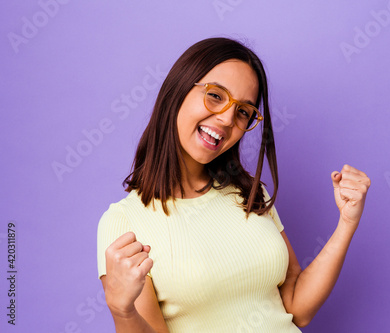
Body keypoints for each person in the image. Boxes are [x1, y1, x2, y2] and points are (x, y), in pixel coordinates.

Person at [97, 37, 371, 333]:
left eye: (243, 111)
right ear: (177, 90)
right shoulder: (124, 223)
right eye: (216, 95)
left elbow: (296, 309)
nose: (228, 119)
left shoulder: (251, 193)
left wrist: (346, 223)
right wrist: (122, 312)